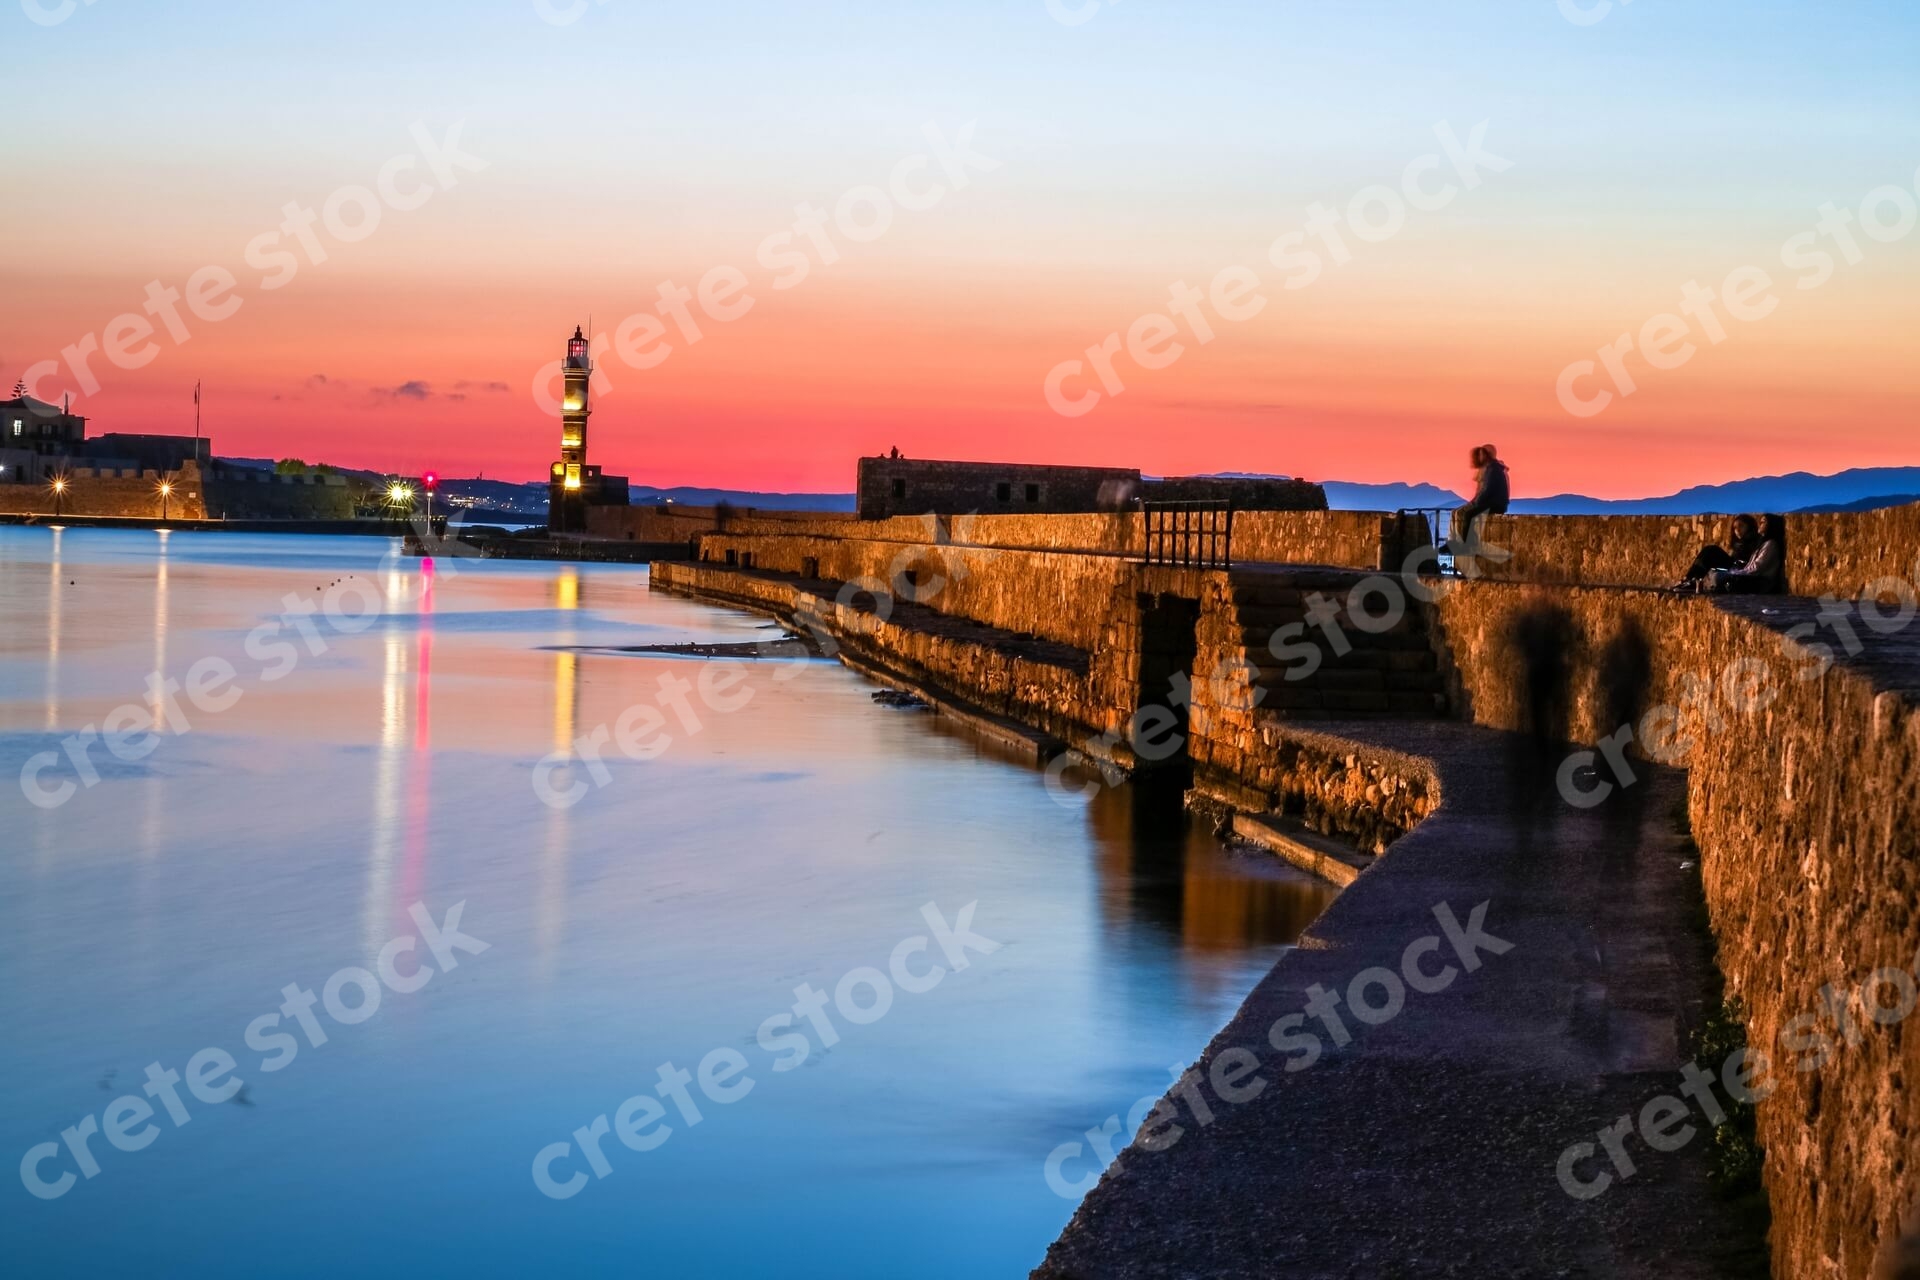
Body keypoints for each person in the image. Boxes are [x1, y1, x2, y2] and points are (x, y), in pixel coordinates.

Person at [1671, 514, 1760, 592]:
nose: (1737, 530)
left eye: (1741, 526)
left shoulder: (1754, 541)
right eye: (1735, 528)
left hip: (1740, 569)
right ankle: (1690, 579)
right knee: (1709, 550)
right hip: (1734, 566)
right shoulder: (1739, 543)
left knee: (1712, 550)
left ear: (1749, 526)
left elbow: (1748, 561)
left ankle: (1691, 580)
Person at [1448, 444, 1509, 553]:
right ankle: (1458, 542)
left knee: (1468, 514)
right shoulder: (1492, 468)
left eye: (1481, 454)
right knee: (1465, 513)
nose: (1480, 457)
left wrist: (1477, 503)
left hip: (1495, 504)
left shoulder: (1493, 469)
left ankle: (1466, 546)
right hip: (1495, 503)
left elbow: (1488, 489)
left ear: (1487, 455)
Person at [1704, 513, 1787, 595]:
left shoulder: (1770, 544)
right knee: (1713, 572)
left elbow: (1756, 568)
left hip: (1761, 582)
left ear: (1771, 525)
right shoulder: (1761, 544)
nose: (1760, 524)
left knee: (1718, 576)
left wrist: (1735, 573)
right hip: (1748, 576)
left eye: (1764, 522)